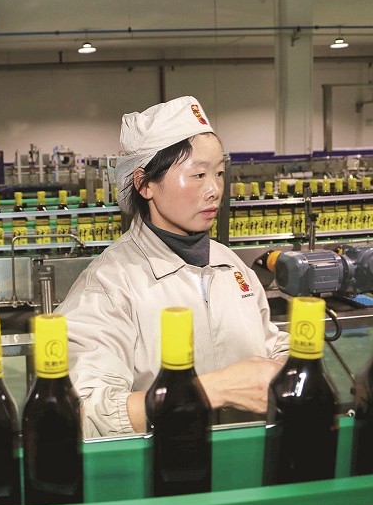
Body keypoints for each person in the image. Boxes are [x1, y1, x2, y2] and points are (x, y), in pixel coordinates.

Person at [55, 96, 289, 438]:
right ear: (144, 184)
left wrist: (288, 368)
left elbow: (273, 345)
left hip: (247, 459)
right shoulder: (109, 285)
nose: (214, 190)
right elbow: (82, 412)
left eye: (219, 174)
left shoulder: (232, 267)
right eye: (198, 175)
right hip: (163, 466)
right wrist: (209, 392)